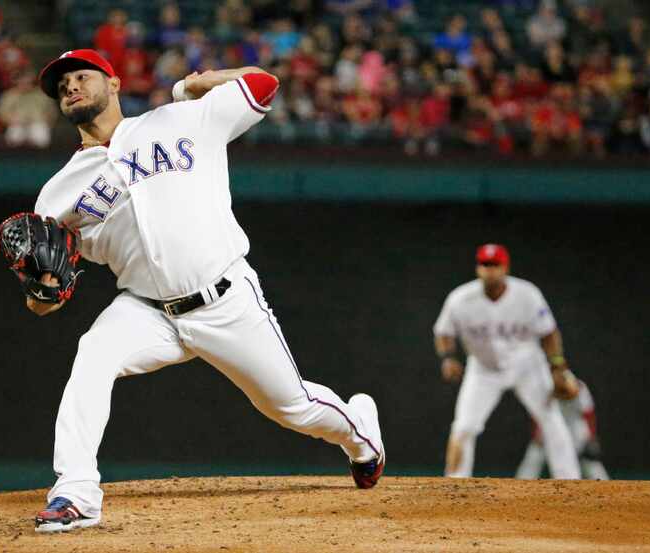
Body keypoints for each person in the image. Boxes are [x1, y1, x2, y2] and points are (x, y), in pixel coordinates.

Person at [27, 49, 385, 533]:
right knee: (94, 353)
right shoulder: (56, 195)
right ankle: (75, 492)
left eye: (81, 76)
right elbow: (43, 296)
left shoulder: (180, 119)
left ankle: (360, 433)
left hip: (225, 300)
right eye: (61, 83)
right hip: (146, 311)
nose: (70, 86)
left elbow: (263, 85)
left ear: (112, 83)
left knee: (291, 405)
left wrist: (199, 85)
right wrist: (45, 291)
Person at [434, 244, 581, 479]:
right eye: (485, 265)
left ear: (505, 267)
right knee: (464, 426)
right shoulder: (460, 299)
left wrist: (557, 366)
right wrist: (448, 358)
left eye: (495, 265)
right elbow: (443, 332)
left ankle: (571, 481)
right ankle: (454, 484)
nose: (490, 270)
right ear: (478, 268)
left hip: (528, 365)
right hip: (483, 368)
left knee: (552, 420)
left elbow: (549, 333)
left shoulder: (527, 295)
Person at [516, 378, 610, 480]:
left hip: (575, 432)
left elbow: (588, 413)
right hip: (551, 429)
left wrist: (591, 436)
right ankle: (519, 487)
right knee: (534, 456)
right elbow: (538, 412)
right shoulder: (546, 386)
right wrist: (537, 432)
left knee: (590, 462)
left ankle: (607, 489)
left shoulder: (579, 387)